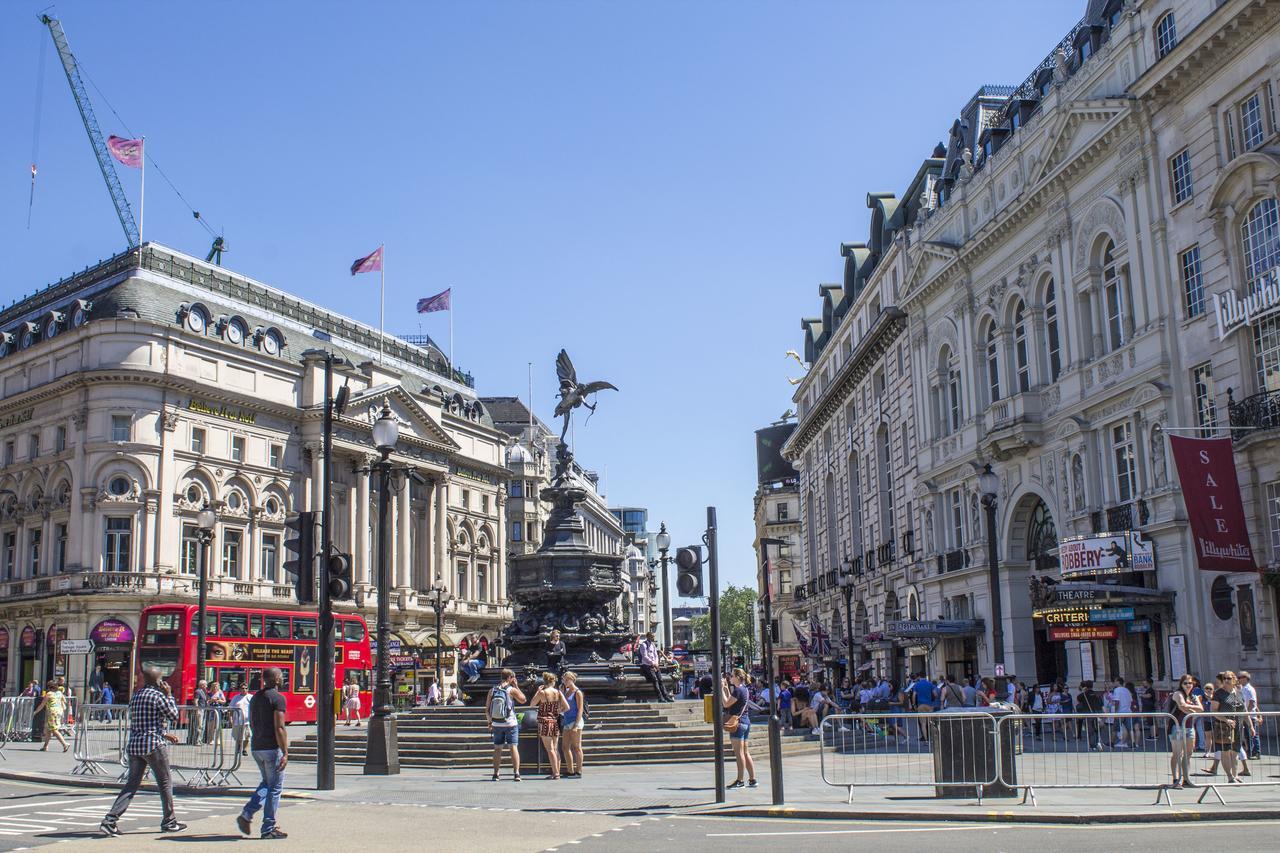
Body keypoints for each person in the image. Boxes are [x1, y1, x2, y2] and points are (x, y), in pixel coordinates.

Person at [100, 667, 185, 836]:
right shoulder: (159, 696)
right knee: (165, 783)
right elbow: (175, 715)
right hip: (153, 746)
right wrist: (169, 695)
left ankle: (110, 820)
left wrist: (164, 733)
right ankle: (169, 821)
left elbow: (144, 723)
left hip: (135, 746)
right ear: (159, 681)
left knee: (131, 785)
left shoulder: (137, 696)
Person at [237, 669, 289, 839]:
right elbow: (279, 727)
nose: (282, 678)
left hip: (257, 746)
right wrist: (285, 752)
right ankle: (268, 827)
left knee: (267, 783)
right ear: (275, 679)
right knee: (275, 788)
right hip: (272, 747)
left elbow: (251, 722)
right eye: (280, 676)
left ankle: (247, 813)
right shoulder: (278, 698)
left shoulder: (256, 697)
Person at [1205, 670, 1249, 783]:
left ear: (1234, 679)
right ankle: (1230, 776)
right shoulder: (1219, 693)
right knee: (1225, 752)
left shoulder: (1238, 692)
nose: (1226, 680)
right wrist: (1226, 719)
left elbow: (1244, 710)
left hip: (1238, 726)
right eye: (1224, 678)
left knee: (1235, 752)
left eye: (1229, 678)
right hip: (1223, 727)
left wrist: (1251, 726)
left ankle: (1235, 775)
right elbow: (1213, 711)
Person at [487, 669, 527, 781]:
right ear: (509, 678)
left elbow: (487, 709)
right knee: (513, 747)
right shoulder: (511, 690)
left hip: (496, 723)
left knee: (497, 749)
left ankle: (496, 774)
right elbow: (523, 700)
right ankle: (517, 774)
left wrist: (490, 722)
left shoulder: (492, 690)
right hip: (510, 723)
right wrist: (517, 686)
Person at [721, 668, 756, 789]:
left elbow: (726, 704)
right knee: (745, 752)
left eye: (731, 675)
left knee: (739, 753)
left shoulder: (738, 690)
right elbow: (731, 700)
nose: (730, 677)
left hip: (738, 723)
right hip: (746, 721)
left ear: (737, 677)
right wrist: (725, 688)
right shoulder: (744, 689)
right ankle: (752, 779)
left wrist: (720, 688)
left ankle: (740, 780)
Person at [1167, 674, 1202, 789]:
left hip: (1189, 727)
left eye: (1190, 683)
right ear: (1181, 684)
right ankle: (1176, 779)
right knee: (1177, 754)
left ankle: (1186, 779)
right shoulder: (1177, 694)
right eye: (1185, 683)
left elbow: (1201, 709)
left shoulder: (1193, 696)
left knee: (1188, 754)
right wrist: (1191, 709)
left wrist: (1190, 708)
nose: (1188, 685)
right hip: (1176, 727)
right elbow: (1182, 706)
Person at [532, 672, 569, 780]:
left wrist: (537, 692)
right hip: (554, 721)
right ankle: (556, 771)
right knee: (555, 748)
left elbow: (532, 703)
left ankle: (556, 773)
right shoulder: (558, 692)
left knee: (550, 749)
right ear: (553, 681)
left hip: (544, 722)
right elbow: (567, 707)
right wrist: (558, 711)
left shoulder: (543, 692)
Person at [560, 672, 588, 778]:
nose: (565, 682)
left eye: (567, 680)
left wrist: (576, 725)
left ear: (572, 680)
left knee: (577, 747)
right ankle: (570, 770)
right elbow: (564, 706)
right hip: (567, 720)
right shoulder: (566, 691)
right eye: (564, 680)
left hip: (575, 721)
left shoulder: (577, 692)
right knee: (565, 747)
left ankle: (579, 770)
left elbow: (580, 709)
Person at [637, 632, 673, 702]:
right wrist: (652, 663)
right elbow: (645, 656)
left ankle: (666, 696)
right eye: (652, 637)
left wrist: (656, 663)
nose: (654, 638)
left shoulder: (653, 645)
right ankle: (660, 697)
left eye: (654, 636)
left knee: (661, 680)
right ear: (648, 637)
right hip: (647, 665)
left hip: (655, 665)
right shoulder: (643, 645)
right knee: (655, 680)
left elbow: (656, 655)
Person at [35, 681, 70, 752]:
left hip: (52, 713)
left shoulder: (49, 694)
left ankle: (64, 744)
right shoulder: (59, 693)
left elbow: (42, 705)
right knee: (48, 730)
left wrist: (36, 712)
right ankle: (45, 746)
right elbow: (65, 701)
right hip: (59, 712)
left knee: (54, 729)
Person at [230, 684, 253, 756]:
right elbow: (231, 709)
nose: (244, 690)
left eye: (246, 688)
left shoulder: (250, 697)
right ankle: (238, 748)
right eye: (242, 688)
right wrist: (230, 718)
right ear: (240, 689)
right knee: (238, 737)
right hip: (237, 720)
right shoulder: (236, 698)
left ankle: (244, 749)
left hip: (247, 721)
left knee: (247, 736)